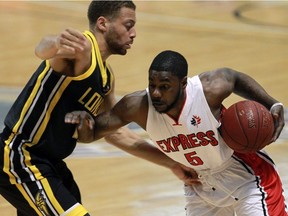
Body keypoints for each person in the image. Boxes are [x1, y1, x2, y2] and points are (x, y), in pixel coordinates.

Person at [0, 2, 196, 216]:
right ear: (103, 23)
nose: (133, 34)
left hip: (51, 165)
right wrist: (56, 42)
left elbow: (116, 133)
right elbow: (42, 49)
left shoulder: (106, 77)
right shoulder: (82, 49)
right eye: (128, 25)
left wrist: (171, 163)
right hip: (21, 156)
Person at [65, 50, 287, 216]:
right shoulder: (137, 106)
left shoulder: (207, 90)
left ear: (182, 84)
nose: (156, 93)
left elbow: (234, 78)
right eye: (151, 84)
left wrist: (272, 104)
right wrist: (84, 123)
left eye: (164, 86)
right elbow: (93, 133)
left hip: (246, 175)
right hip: (199, 185)